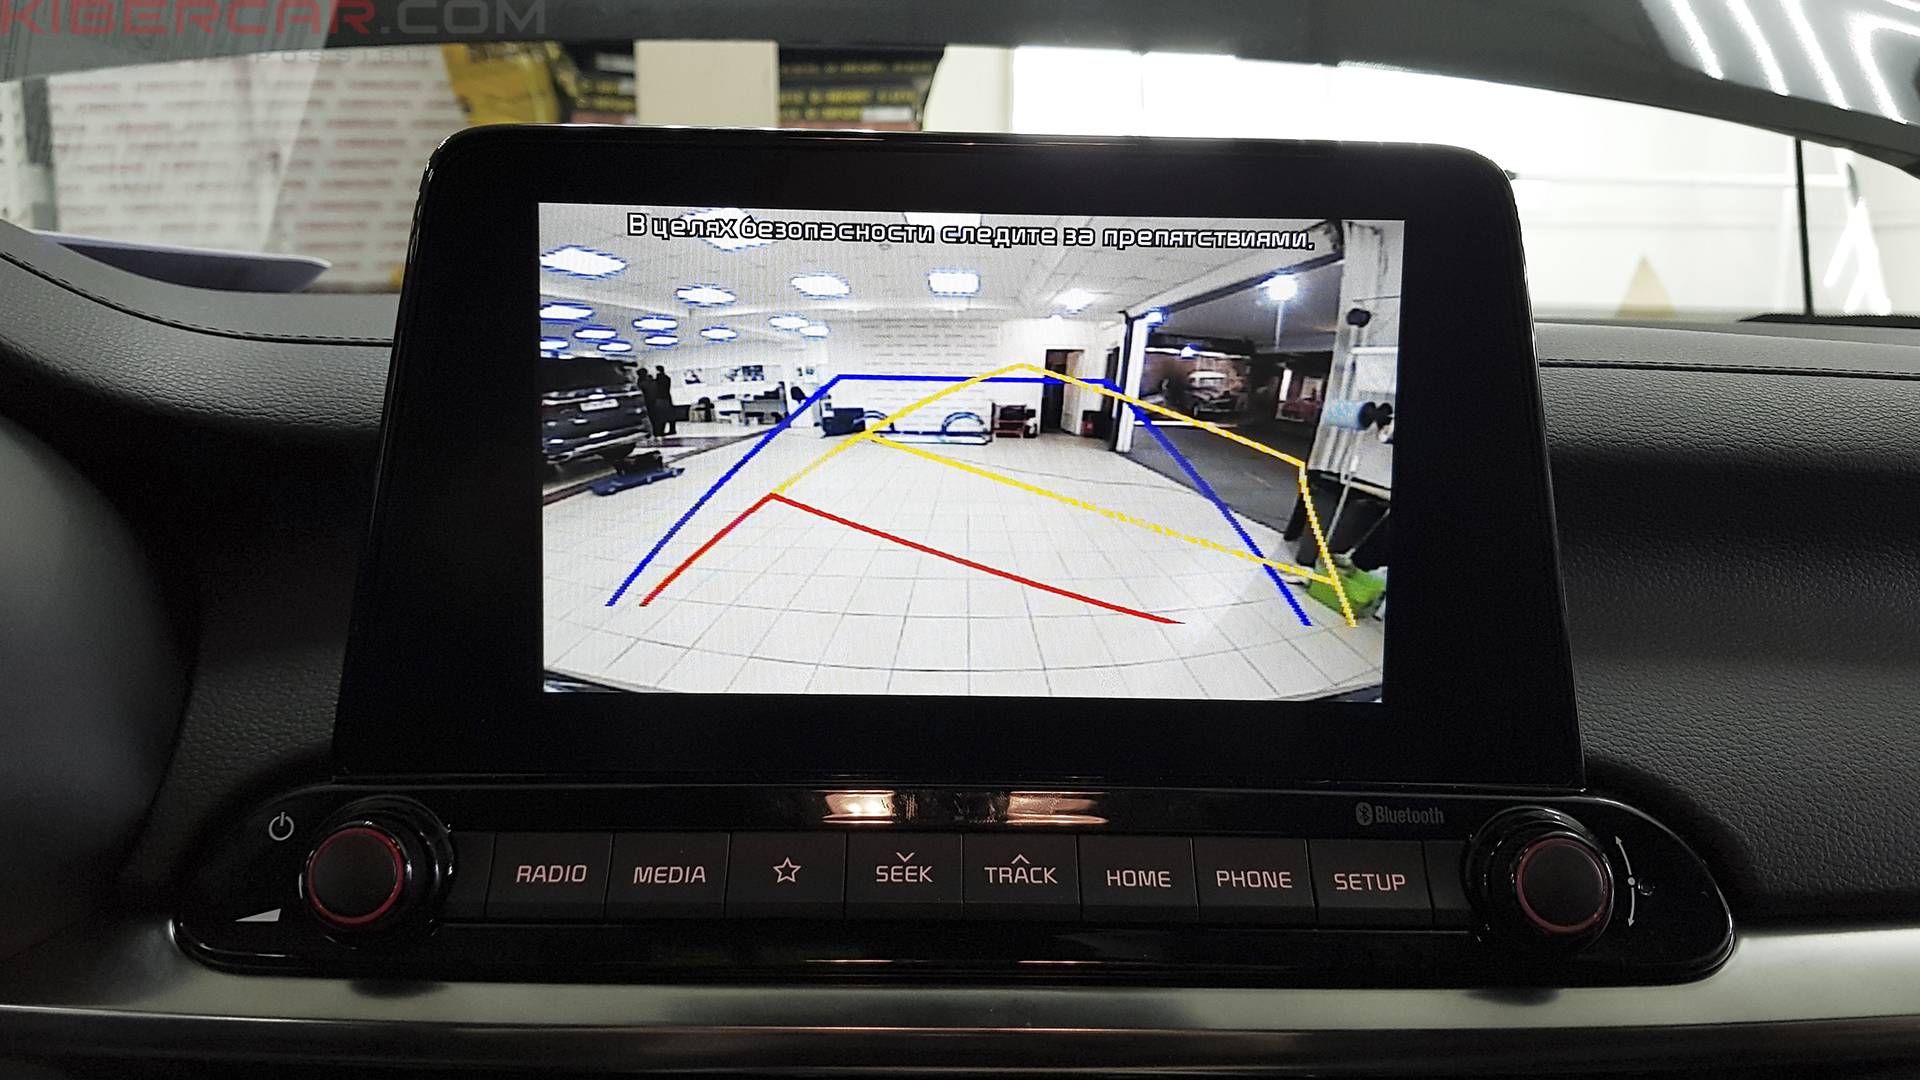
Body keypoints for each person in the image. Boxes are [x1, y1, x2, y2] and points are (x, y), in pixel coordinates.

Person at [649, 365, 677, 436]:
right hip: (667, 397)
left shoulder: (657, 379)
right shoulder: (667, 378)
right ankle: (672, 429)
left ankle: (661, 431)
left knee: (661, 415)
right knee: (670, 414)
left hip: (660, 398)